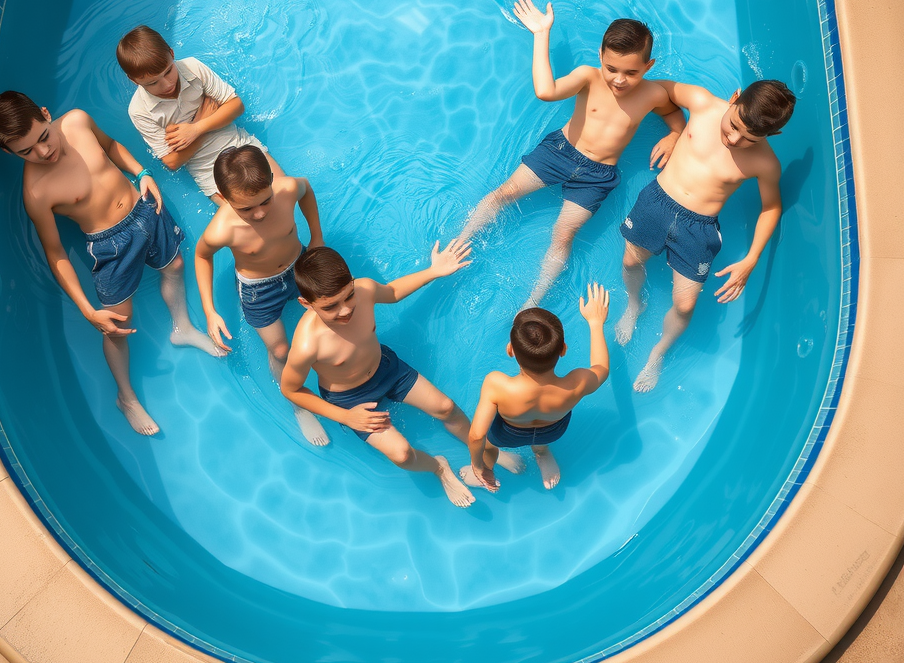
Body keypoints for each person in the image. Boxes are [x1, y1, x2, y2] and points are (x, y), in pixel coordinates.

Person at [0, 91, 218, 436]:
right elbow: (56, 253)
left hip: (144, 207)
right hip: (110, 246)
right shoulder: (36, 192)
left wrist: (142, 173)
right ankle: (126, 396)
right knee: (117, 324)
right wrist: (88, 311)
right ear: (8, 152)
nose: (43, 152)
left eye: (43, 137)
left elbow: (111, 147)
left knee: (175, 266)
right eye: (26, 151)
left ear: (47, 114)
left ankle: (182, 328)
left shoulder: (77, 121)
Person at [460, 0, 685, 304]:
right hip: (560, 152)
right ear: (600, 56)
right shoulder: (588, 77)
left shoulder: (654, 94)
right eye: (611, 68)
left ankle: (532, 301)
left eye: (631, 73)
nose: (619, 79)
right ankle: (459, 243)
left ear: (648, 66)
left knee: (563, 234)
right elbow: (545, 91)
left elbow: (673, 113)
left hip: (597, 175)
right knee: (504, 193)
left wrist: (675, 133)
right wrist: (542, 34)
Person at [281, 244, 523, 508]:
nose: (345, 310)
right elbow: (291, 390)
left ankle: (482, 450)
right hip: (350, 398)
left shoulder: (364, 290)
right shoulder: (307, 344)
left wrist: (434, 271)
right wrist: (346, 416)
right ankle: (439, 468)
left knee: (446, 407)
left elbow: (394, 292)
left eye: (348, 296)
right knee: (402, 453)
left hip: (387, 369)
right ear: (307, 304)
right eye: (330, 307)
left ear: (352, 283)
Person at [615, 79, 796, 392]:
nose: (734, 139)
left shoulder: (765, 162)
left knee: (685, 306)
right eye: (734, 125)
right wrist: (674, 131)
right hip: (657, 201)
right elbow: (659, 89)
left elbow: (771, 207)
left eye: (749, 137)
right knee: (631, 261)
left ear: (772, 135)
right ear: (734, 97)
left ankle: (658, 353)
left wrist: (751, 259)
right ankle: (634, 305)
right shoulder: (701, 103)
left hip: (698, 228)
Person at [194, 145, 328, 446]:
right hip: (259, 290)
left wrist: (316, 237)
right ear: (225, 198)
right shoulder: (222, 229)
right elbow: (202, 257)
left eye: (265, 201)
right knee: (280, 350)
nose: (260, 213)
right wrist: (209, 311)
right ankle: (298, 404)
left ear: (271, 180)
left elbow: (306, 190)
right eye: (246, 209)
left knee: (328, 320)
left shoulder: (288, 188)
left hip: (299, 265)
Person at [464, 285, 610, 492]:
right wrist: (596, 323)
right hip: (553, 430)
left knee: (488, 445)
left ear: (510, 350)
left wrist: (476, 464)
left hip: (507, 433)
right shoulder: (577, 383)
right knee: (541, 440)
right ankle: (541, 453)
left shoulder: (496, 384)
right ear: (564, 350)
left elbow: (476, 436)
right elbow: (602, 368)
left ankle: (485, 469)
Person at [117, 25, 282, 203]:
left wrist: (196, 129)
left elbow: (236, 106)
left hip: (240, 145)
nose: (166, 85)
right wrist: (201, 123)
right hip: (208, 171)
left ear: (172, 54)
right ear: (133, 80)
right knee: (251, 219)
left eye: (168, 72)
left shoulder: (193, 67)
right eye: (153, 83)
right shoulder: (139, 111)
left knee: (284, 192)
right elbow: (172, 162)